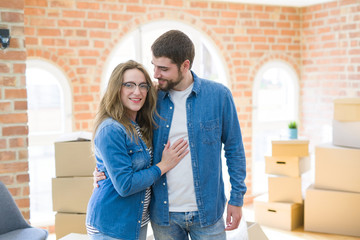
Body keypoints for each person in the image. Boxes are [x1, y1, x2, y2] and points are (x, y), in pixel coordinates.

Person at [95, 30, 247, 240]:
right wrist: (102, 171)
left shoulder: (219, 96)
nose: (156, 74)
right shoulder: (149, 99)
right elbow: (121, 140)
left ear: (185, 65)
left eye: (164, 68)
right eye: (154, 66)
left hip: (208, 213)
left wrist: (237, 198)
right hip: (163, 216)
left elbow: (234, 149)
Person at [86, 60, 189, 240]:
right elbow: (125, 185)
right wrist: (163, 166)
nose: (137, 92)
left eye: (143, 86)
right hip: (112, 224)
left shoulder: (139, 125)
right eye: (129, 85)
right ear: (116, 88)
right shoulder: (111, 129)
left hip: (135, 222)